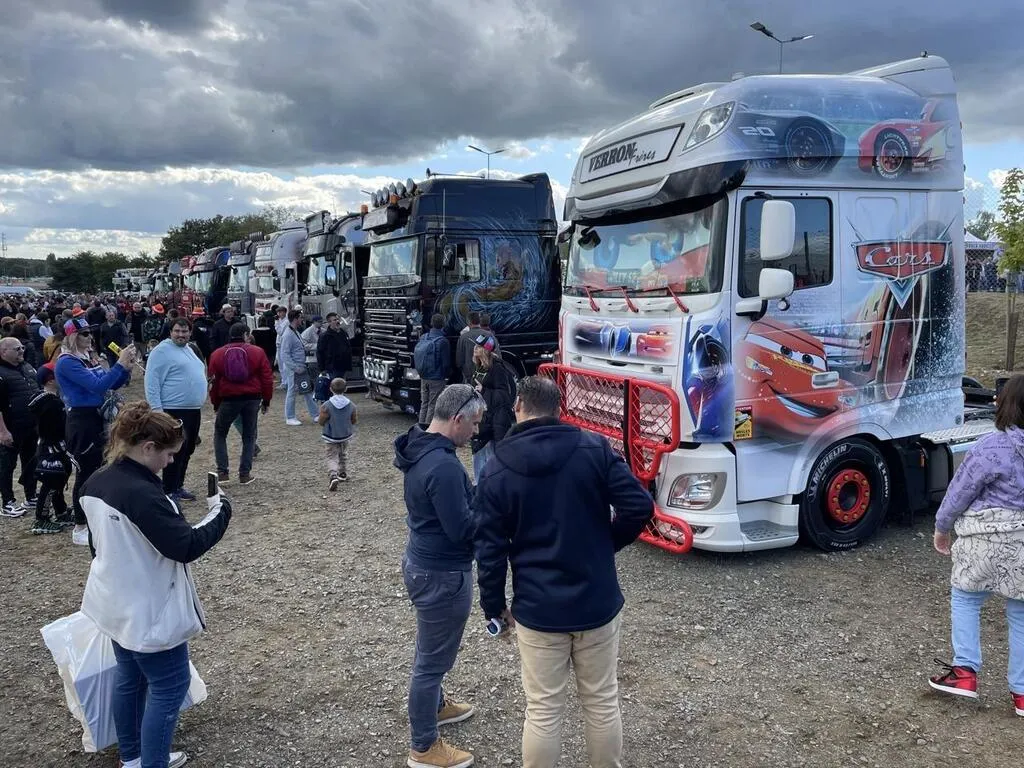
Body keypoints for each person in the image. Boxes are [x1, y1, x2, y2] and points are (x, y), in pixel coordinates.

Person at [474, 376, 655, 768]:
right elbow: (639, 506)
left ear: (518, 405)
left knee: (543, 709)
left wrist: (493, 606)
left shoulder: (496, 468)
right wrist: (607, 544)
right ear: (559, 408)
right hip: (596, 599)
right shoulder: (594, 448)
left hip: (538, 608)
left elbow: (489, 550)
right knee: (601, 700)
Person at [80, 402, 232, 768]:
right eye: (168, 454)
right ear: (148, 447)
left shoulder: (96, 480)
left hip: (112, 601)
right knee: (169, 687)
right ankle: (152, 763)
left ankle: (133, 757)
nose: (170, 462)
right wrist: (221, 511)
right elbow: (185, 545)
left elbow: (96, 544)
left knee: (130, 678)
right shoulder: (144, 494)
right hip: (150, 610)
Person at [393, 384, 483, 768]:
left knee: (429, 651)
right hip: (442, 573)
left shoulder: (421, 447)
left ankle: (436, 705)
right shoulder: (443, 466)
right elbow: (462, 529)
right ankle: (424, 747)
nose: (476, 431)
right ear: (457, 418)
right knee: (430, 664)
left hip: (422, 563)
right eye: (474, 423)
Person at [928, 374, 1024, 718]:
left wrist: (942, 528)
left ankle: (965, 672)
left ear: (1005, 405)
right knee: (1021, 614)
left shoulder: (990, 447)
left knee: (966, 599)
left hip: (982, 540)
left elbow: (959, 492)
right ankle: (1022, 694)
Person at [55, 317, 135, 546]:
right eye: (84, 333)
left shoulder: (86, 358)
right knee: (86, 472)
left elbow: (109, 384)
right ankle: (80, 525)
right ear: (72, 336)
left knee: (102, 468)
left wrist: (124, 368)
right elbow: (98, 386)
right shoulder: (67, 362)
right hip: (82, 419)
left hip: (96, 417)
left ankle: (97, 518)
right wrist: (119, 364)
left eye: (90, 333)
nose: (90, 337)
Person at [144, 318, 209, 502]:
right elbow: (152, 382)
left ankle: (178, 485)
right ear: (170, 332)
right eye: (177, 331)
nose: (181, 335)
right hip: (173, 410)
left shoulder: (189, 349)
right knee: (174, 450)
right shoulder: (161, 351)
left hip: (192, 410)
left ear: (190, 332)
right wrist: (157, 411)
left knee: (188, 449)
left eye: (184, 331)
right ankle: (169, 489)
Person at [208, 323, 273, 485]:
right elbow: (267, 378)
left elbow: (213, 382)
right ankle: (245, 474)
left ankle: (222, 472)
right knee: (249, 435)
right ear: (246, 334)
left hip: (228, 398)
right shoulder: (257, 352)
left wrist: (216, 403)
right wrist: (266, 400)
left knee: (220, 433)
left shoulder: (217, 354)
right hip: (252, 398)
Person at [28, 364, 75, 534]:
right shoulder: (51, 403)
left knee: (59, 481)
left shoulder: (48, 400)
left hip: (53, 447)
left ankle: (61, 511)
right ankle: (41, 519)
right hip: (51, 449)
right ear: (50, 380)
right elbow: (56, 428)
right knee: (51, 483)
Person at [0, 336, 40, 517]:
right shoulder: (1, 373)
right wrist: (2, 431)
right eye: (17, 349)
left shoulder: (27, 367)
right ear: (3, 352)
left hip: (31, 426)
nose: (22, 351)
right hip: (11, 428)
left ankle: (31, 496)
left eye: (22, 348)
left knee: (30, 461)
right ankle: (7, 503)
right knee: (7, 466)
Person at [468, 334, 516, 483]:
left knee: (490, 460)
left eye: (478, 346)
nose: (475, 348)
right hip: (481, 419)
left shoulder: (497, 368)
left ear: (485, 350)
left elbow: (504, 397)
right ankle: (479, 486)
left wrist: (484, 391)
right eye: (475, 345)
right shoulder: (479, 366)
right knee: (479, 457)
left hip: (494, 422)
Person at [317, 377, 357, 490]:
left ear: (330, 389)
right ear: (346, 389)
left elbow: (321, 421)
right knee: (343, 453)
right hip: (345, 435)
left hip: (330, 436)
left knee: (331, 456)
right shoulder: (351, 405)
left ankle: (333, 475)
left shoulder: (326, 405)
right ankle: (342, 473)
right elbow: (354, 420)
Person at [280, 308, 317, 426]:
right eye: (300, 318)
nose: (302, 320)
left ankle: (315, 414)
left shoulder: (295, 332)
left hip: (300, 366)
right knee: (292, 391)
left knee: (307, 390)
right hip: (294, 368)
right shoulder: (288, 334)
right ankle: (290, 416)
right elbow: (284, 354)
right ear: (295, 319)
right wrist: (295, 368)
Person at [414, 314, 450, 425]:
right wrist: (446, 375)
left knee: (424, 403)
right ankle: (428, 429)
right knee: (433, 404)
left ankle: (420, 426)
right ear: (443, 324)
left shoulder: (423, 337)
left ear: (431, 323)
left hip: (423, 375)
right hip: (437, 378)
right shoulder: (443, 341)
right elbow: (445, 363)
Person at [315, 313, 352, 400]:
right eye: (334, 320)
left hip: (343, 367)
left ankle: (340, 404)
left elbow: (347, 348)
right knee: (333, 389)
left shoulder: (343, 333)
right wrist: (322, 369)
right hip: (332, 368)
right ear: (329, 322)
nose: (337, 321)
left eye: (338, 319)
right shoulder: (325, 336)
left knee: (341, 389)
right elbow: (320, 353)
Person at [456, 311, 481, 384]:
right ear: (479, 321)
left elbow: (459, 360)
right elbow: (495, 354)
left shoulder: (463, 338)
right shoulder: (488, 335)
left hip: (469, 375)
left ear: (469, 322)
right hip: (486, 374)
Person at [274, 306, 289, 388]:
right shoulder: (280, 320)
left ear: (284, 312)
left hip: (283, 344)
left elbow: (280, 331)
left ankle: (286, 382)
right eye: (278, 312)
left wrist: (276, 322)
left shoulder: (286, 321)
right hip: (279, 343)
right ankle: (284, 381)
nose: (279, 314)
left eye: (280, 312)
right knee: (280, 364)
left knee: (283, 364)